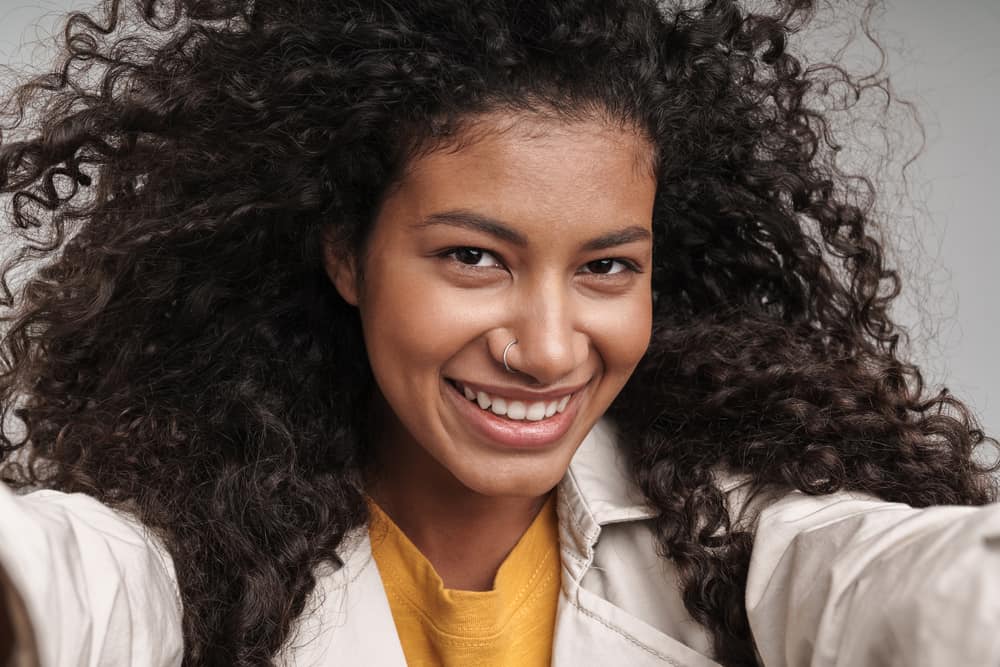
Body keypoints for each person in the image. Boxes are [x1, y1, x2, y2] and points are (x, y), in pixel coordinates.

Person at [0, 0, 998, 665]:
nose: (549, 347)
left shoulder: (737, 543)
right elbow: (63, 584)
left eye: (607, 267)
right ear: (348, 254)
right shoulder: (192, 547)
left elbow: (914, 589)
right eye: (473, 258)